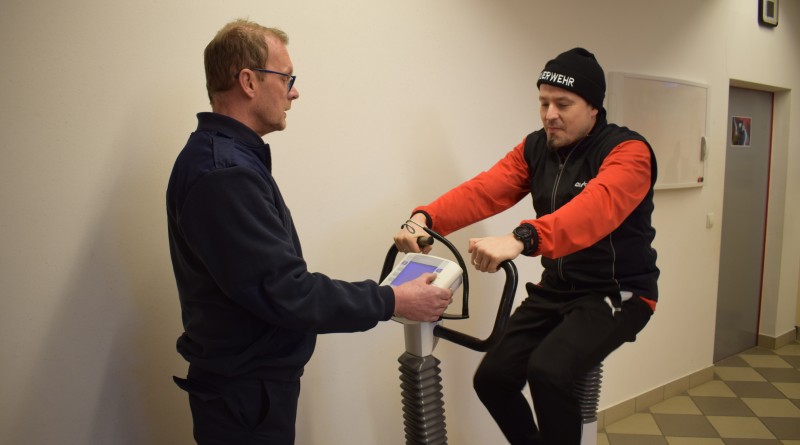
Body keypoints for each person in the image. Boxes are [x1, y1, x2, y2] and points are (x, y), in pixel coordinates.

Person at [166, 19, 453, 445]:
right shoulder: (224, 173)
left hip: (249, 388)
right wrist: (394, 299)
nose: (294, 92)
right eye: (286, 78)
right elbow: (287, 291)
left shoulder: (227, 159)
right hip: (245, 396)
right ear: (248, 81)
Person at [394, 48, 659, 445]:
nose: (550, 114)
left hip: (617, 292)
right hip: (557, 289)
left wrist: (523, 237)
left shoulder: (627, 151)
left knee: (549, 372)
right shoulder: (537, 148)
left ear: (594, 107)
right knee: (493, 379)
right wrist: (425, 218)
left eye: (563, 104)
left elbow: (595, 210)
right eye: (543, 102)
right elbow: (485, 190)